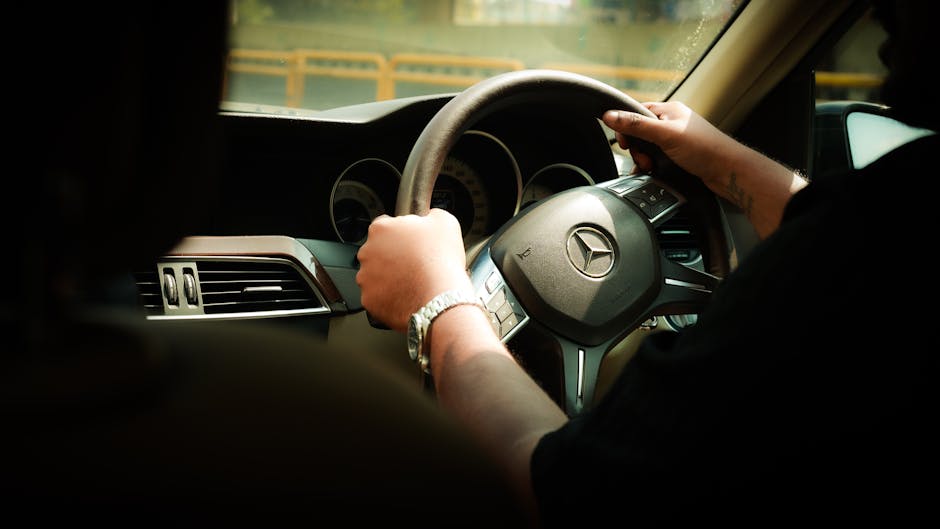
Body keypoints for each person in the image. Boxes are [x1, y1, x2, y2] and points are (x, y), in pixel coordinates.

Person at [355, 0, 939, 525]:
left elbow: (564, 494)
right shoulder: (896, 214)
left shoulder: (878, 228)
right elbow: (838, 246)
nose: (878, 10)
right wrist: (724, 163)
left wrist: (438, 300)